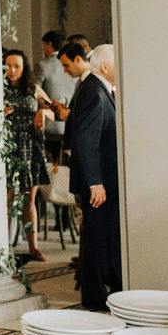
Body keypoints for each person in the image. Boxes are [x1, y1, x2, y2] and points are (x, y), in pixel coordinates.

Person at [68, 42, 121, 310]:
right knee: (97, 240)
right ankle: (95, 296)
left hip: (103, 181)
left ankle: (104, 291)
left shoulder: (100, 89)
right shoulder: (93, 91)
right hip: (98, 184)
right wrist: (94, 182)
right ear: (105, 66)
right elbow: (85, 140)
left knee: (101, 238)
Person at [3, 50, 52, 262]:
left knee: (28, 199)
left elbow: (53, 111)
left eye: (17, 66)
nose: (12, 71)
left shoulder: (33, 88)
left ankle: (34, 246)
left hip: (30, 147)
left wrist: (42, 113)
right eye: (9, 66)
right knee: (5, 198)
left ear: (24, 69)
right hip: (8, 147)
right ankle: (1, 247)